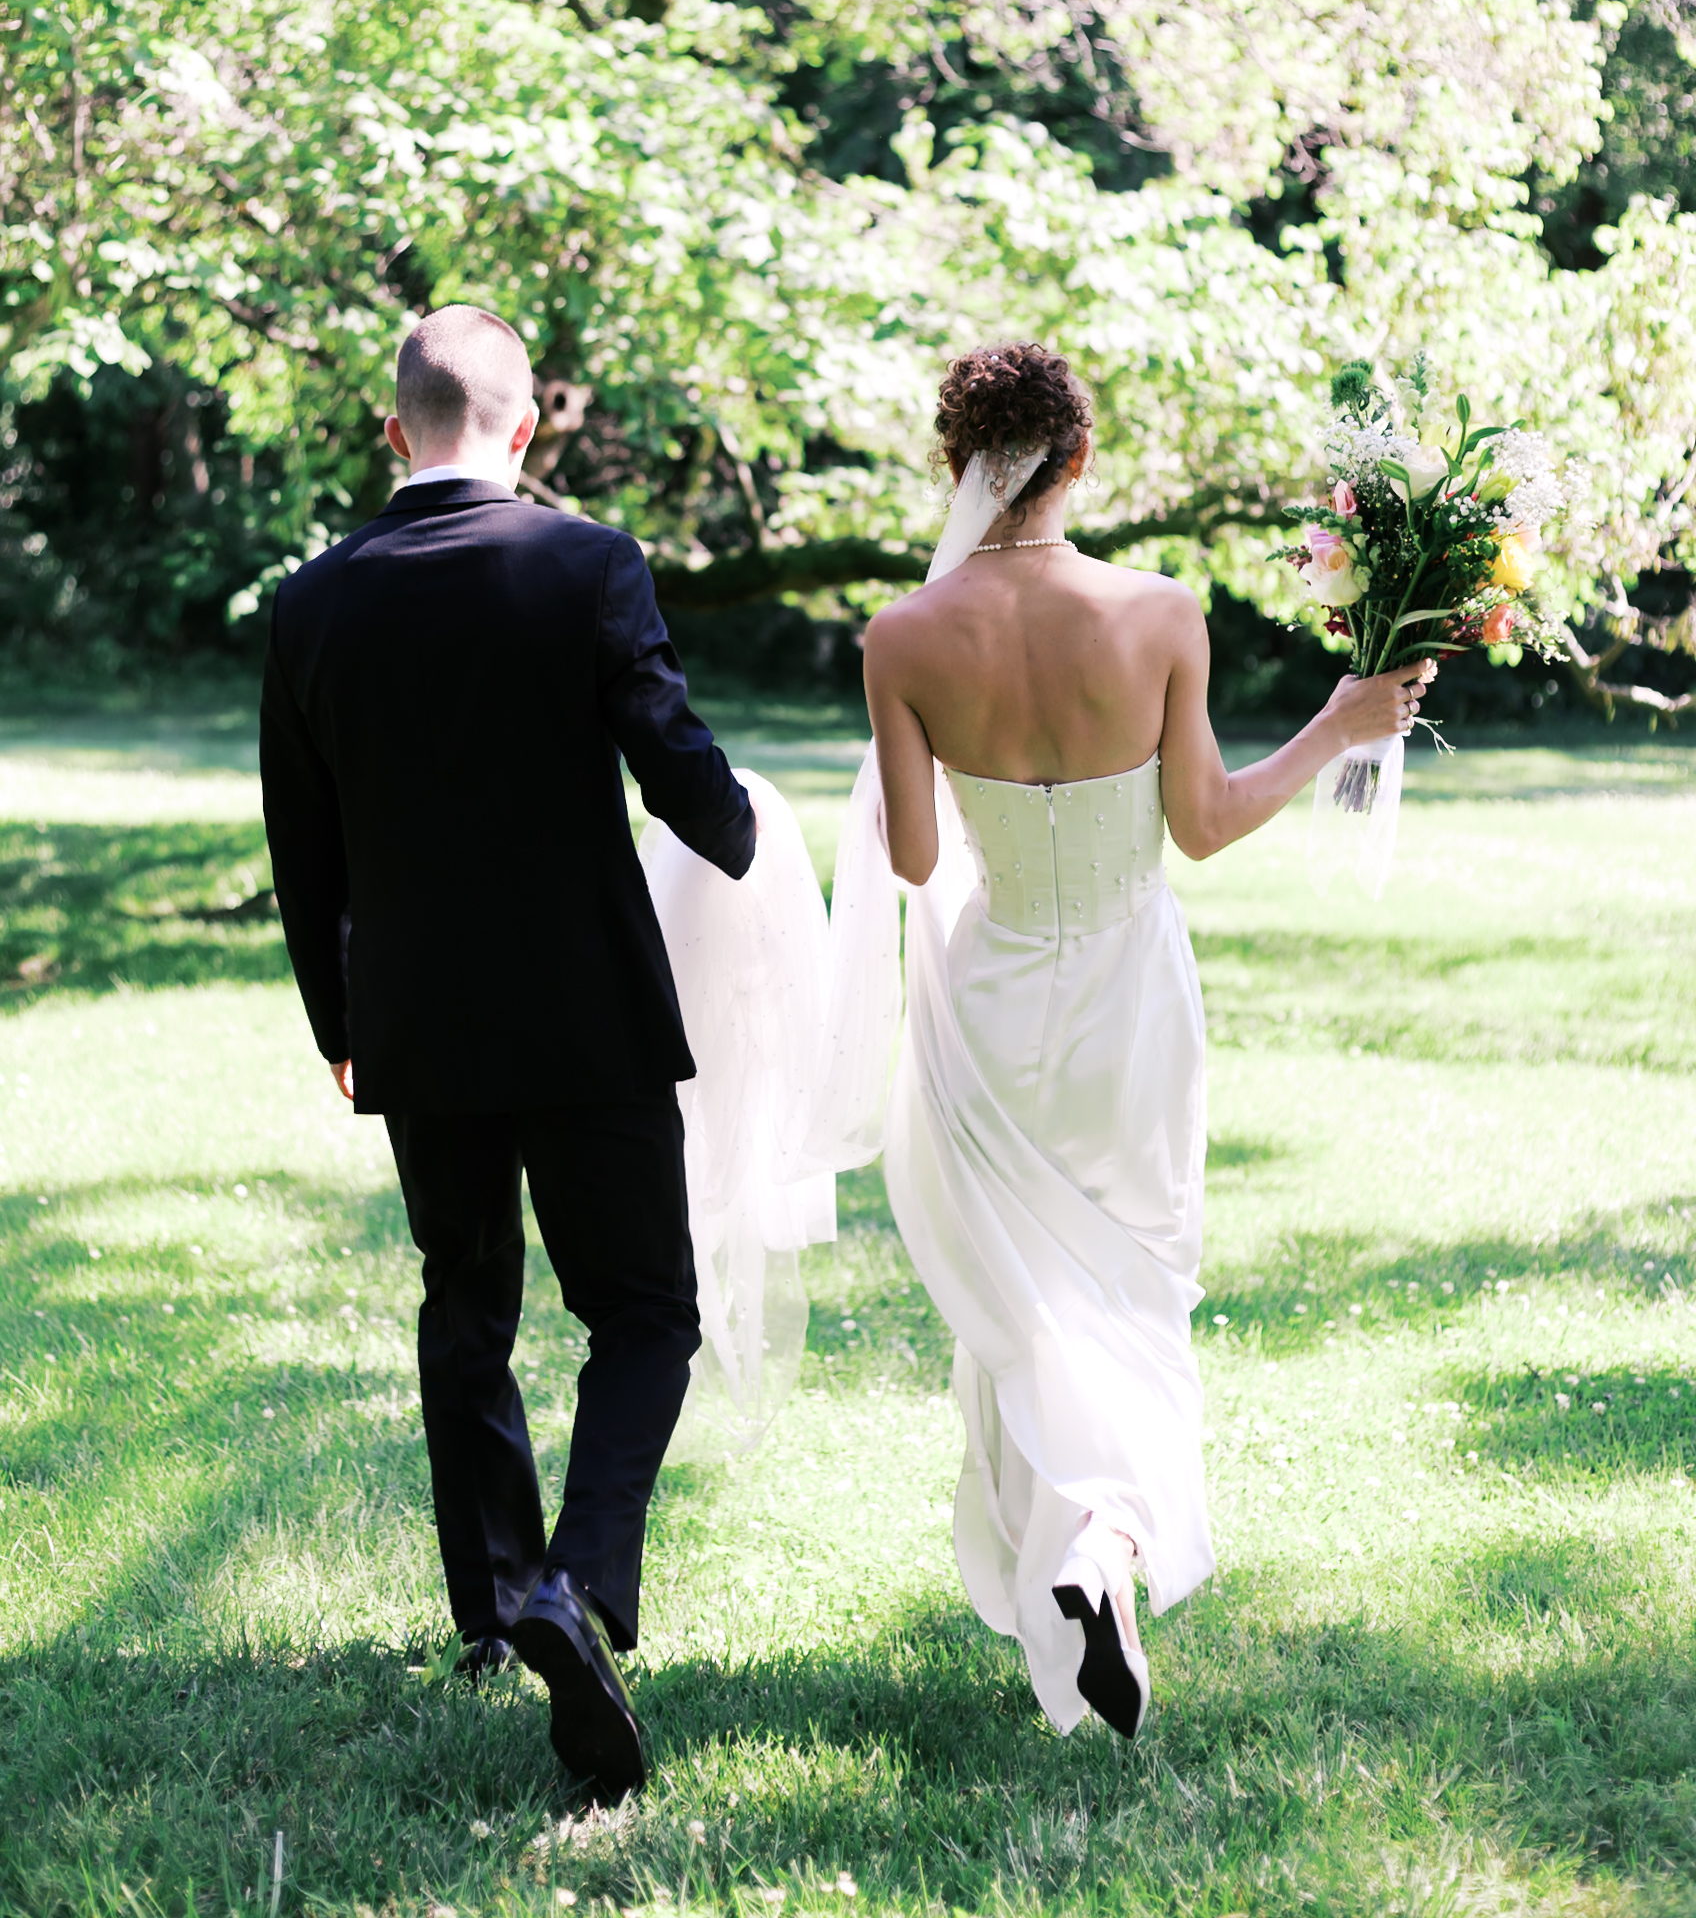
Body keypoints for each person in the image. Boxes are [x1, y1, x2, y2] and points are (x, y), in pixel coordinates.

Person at [864, 343, 1432, 1740]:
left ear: (956, 465)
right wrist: (1340, 723)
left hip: (996, 1003)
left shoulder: (903, 639)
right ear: (1081, 458)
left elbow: (917, 851)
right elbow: (1205, 827)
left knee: (1026, 1308)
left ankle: (1080, 1567)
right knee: (1133, 1289)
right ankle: (1100, 1552)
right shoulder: (1161, 611)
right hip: (1130, 995)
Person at [259, 305, 754, 1802]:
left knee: (465, 1308)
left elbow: (305, 851)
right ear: (524, 428)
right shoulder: (587, 564)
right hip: (589, 1013)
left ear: (396, 430)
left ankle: (492, 1607)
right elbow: (671, 761)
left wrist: (343, 1029)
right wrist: (746, 831)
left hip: (420, 1022)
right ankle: (578, 1586)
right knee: (646, 1313)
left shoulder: (311, 604)